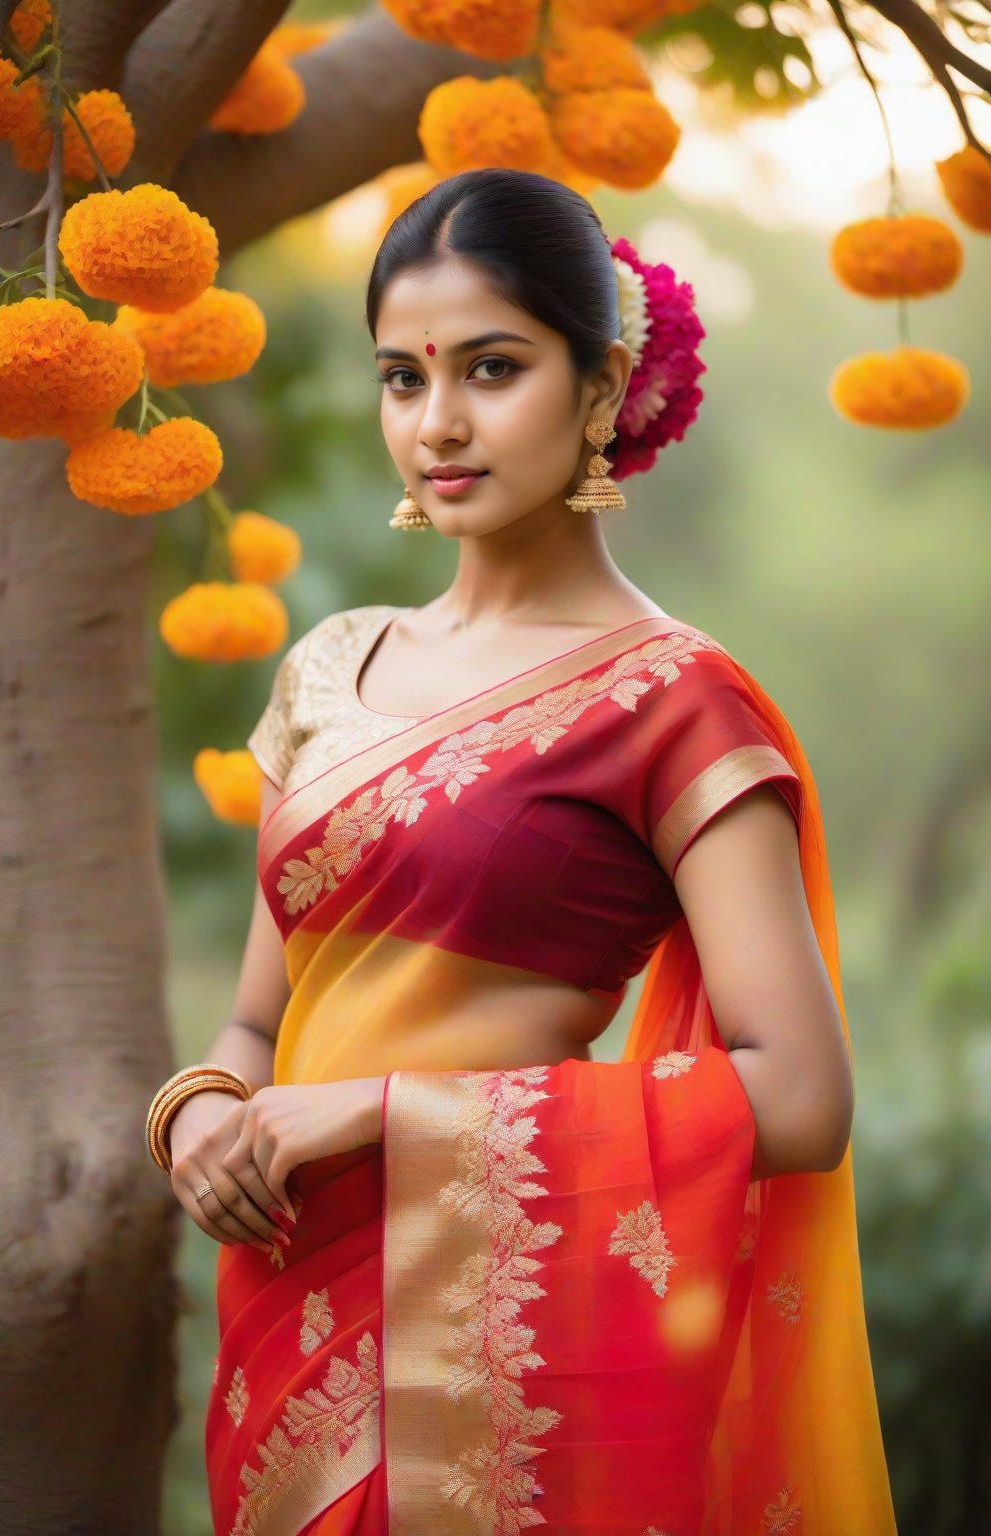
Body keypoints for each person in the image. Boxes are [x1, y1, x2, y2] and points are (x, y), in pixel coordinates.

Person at [145, 168, 898, 1535]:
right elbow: (259, 1018)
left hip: (492, 1343)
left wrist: (377, 1113)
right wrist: (199, 1112)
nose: (437, 424)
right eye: (400, 377)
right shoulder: (328, 672)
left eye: (491, 369)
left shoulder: (675, 704)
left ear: (600, 388)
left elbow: (800, 1098)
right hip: (288, 1311)